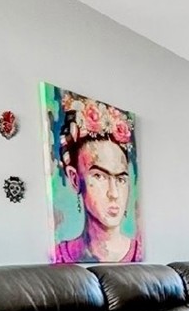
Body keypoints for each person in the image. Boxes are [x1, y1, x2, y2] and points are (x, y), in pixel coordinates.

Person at [52, 96, 141, 263]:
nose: (114, 194)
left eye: (121, 179)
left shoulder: (139, 253)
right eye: (100, 176)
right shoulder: (60, 256)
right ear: (75, 179)